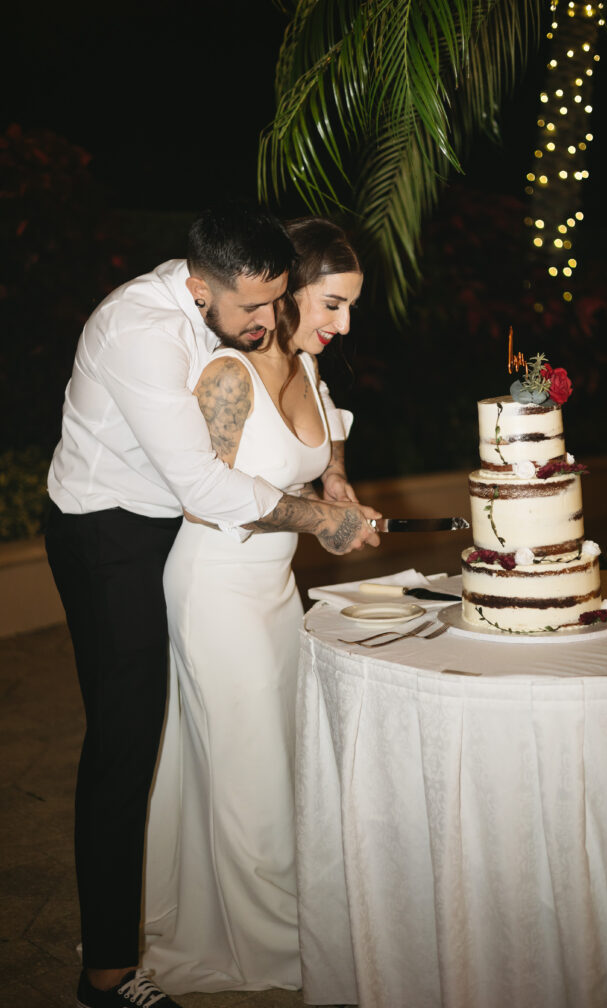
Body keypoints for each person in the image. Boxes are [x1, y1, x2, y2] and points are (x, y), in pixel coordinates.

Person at [45, 203, 380, 1008]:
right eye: (254, 308)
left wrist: (330, 470)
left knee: (195, 740)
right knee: (126, 738)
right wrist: (322, 518)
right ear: (201, 290)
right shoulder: (142, 330)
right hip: (107, 529)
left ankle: (189, 903)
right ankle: (108, 975)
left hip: (188, 535)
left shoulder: (240, 305)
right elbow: (200, 485)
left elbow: (309, 401)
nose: (267, 321)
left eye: (276, 302)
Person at [142, 217, 366, 994]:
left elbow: (324, 431)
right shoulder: (228, 375)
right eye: (331, 304)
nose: (341, 323)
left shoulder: (306, 366)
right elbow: (209, 503)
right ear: (289, 292)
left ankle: (269, 916)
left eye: (348, 307)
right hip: (216, 587)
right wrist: (319, 517)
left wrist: (334, 481)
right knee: (251, 774)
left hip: (274, 589)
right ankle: (279, 948)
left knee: (274, 757)